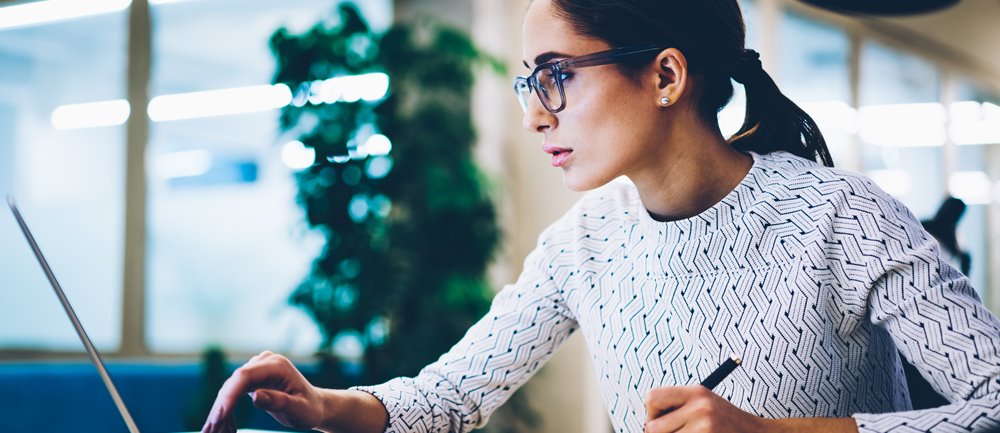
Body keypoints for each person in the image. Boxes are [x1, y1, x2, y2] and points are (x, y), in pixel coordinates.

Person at [201, 0, 1000, 432]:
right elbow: (450, 395)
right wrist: (326, 403)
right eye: (528, 83)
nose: (535, 114)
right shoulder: (583, 243)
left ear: (664, 75)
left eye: (557, 76)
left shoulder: (845, 217)